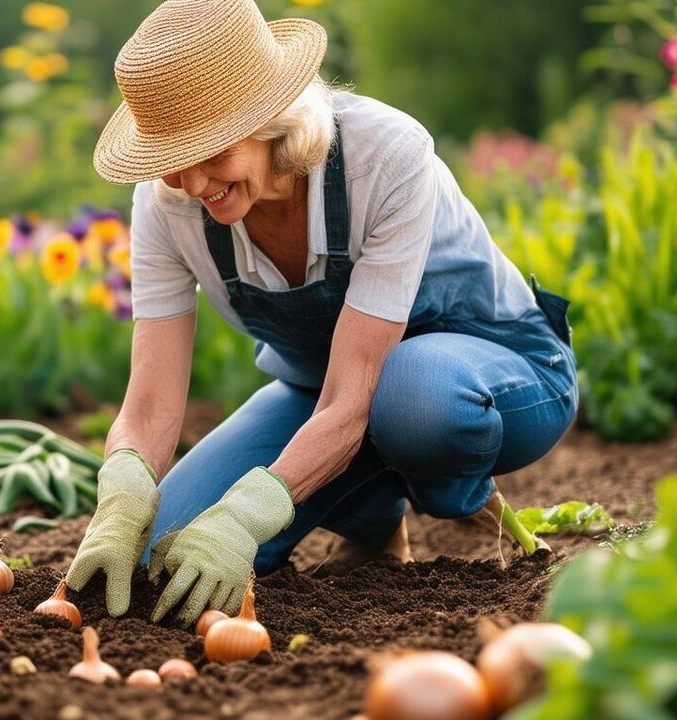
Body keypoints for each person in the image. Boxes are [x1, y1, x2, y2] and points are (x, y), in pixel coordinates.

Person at [64, 0, 578, 628]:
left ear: (267, 119)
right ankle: (374, 520)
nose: (192, 184)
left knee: (413, 398)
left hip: (491, 373)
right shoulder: (166, 206)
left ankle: (454, 492)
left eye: (209, 151)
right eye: (172, 158)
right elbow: (148, 406)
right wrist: (121, 493)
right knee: (160, 552)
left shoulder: (384, 157)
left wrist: (246, 517)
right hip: (328, 394)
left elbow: (355, 396)